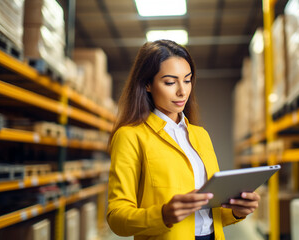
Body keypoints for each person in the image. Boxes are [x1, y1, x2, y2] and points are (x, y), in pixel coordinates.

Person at [107, 40, 260, 240]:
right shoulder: (130, 136)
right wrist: (162, 215)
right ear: (147, 84)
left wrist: (237, 210)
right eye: (170, 82)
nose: (182, 91)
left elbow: (210, 212)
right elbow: (116, 217)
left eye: (187, 80)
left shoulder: (201, 135)